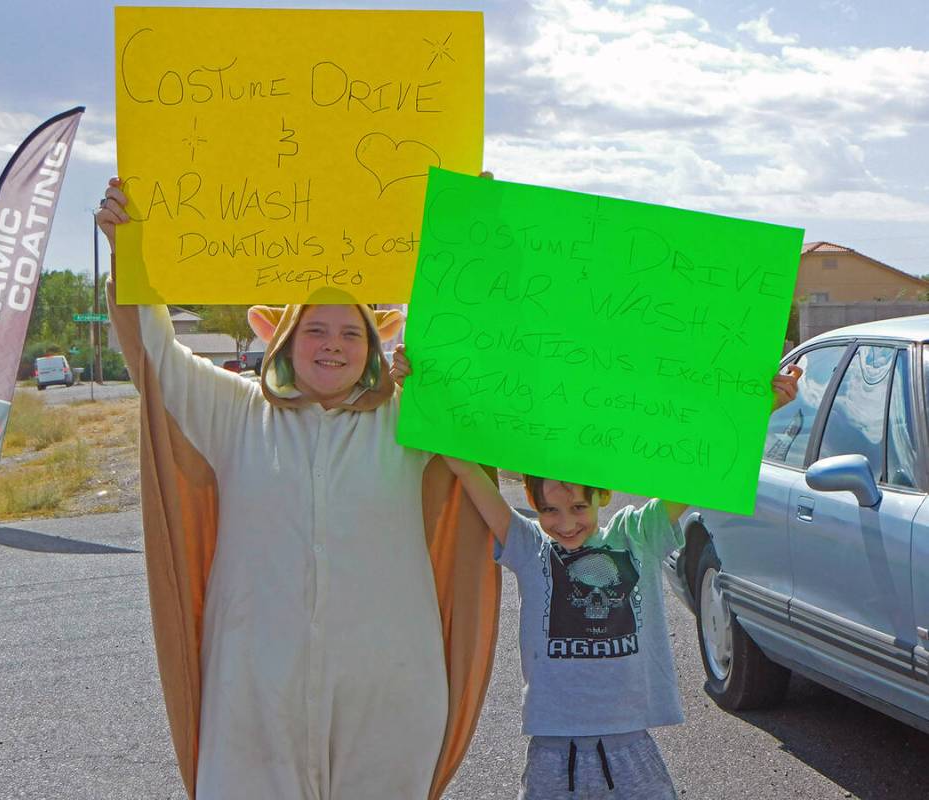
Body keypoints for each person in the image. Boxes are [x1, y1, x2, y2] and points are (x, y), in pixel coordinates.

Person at [95, 177, 501, 800]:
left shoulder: (415, 422)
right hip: (255, 695)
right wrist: (131, 247)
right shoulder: (233, 413)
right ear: (282, 337)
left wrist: (471, 237)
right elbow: (157, 353)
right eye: (316, 330)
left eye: (350, 333)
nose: (332, 346)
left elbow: (475, 355)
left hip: (389, 694)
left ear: (374, 345)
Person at [392, 344, 800, 799]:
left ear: (601, 497)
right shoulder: (528, 546)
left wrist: (761, 408)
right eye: (549, 509)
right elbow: (468, 473)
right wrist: (421, 391)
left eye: (577, 507)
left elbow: (700, 472)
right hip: (552, 749)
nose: (564, 523)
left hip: (629, 747)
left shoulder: (635, 536)